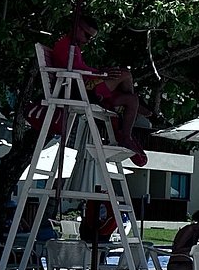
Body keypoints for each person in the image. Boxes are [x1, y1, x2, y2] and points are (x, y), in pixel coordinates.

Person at [48, 13, 146, 165]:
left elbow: (80, 68)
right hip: (78, 91)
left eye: (91, 38)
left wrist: (100, 73)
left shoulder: (74, 48)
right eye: (87, 35)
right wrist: (101, 73)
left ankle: (126, 133)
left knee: (132, 100)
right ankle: (123, 126)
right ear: (77, 28)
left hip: (85, 88)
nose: (88, 40)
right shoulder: (66, 46)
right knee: (125, 75)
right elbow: (77, 70)